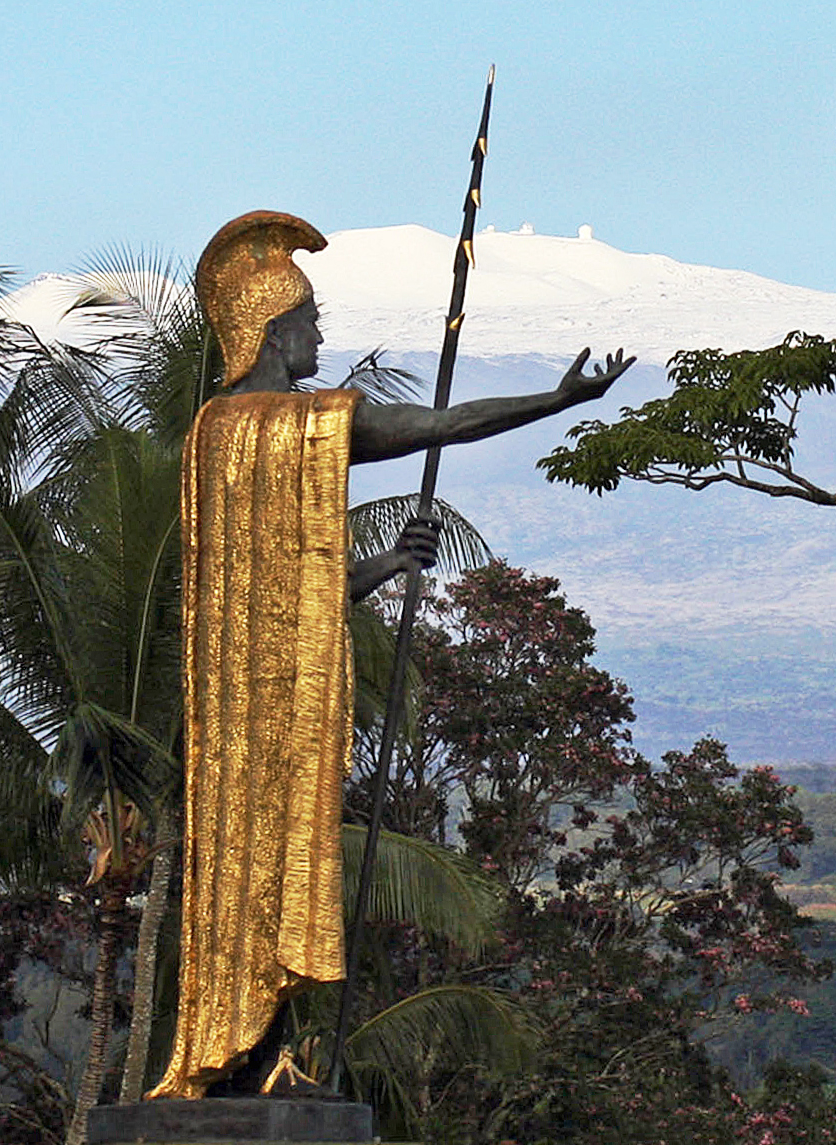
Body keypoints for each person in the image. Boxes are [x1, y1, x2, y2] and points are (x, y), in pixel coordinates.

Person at [149, 210, 631, 1099]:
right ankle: (248, 1051)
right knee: (275, 855)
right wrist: (553, 403)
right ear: (271, 327)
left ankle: (255, 1048)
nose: (321, 336)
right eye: (310, 322)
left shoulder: (215, 436)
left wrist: (381, 562)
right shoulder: (291, 427)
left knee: (257, 859)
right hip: (271, 711)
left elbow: (285, 593)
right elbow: (430, 424)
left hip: (243, 711)